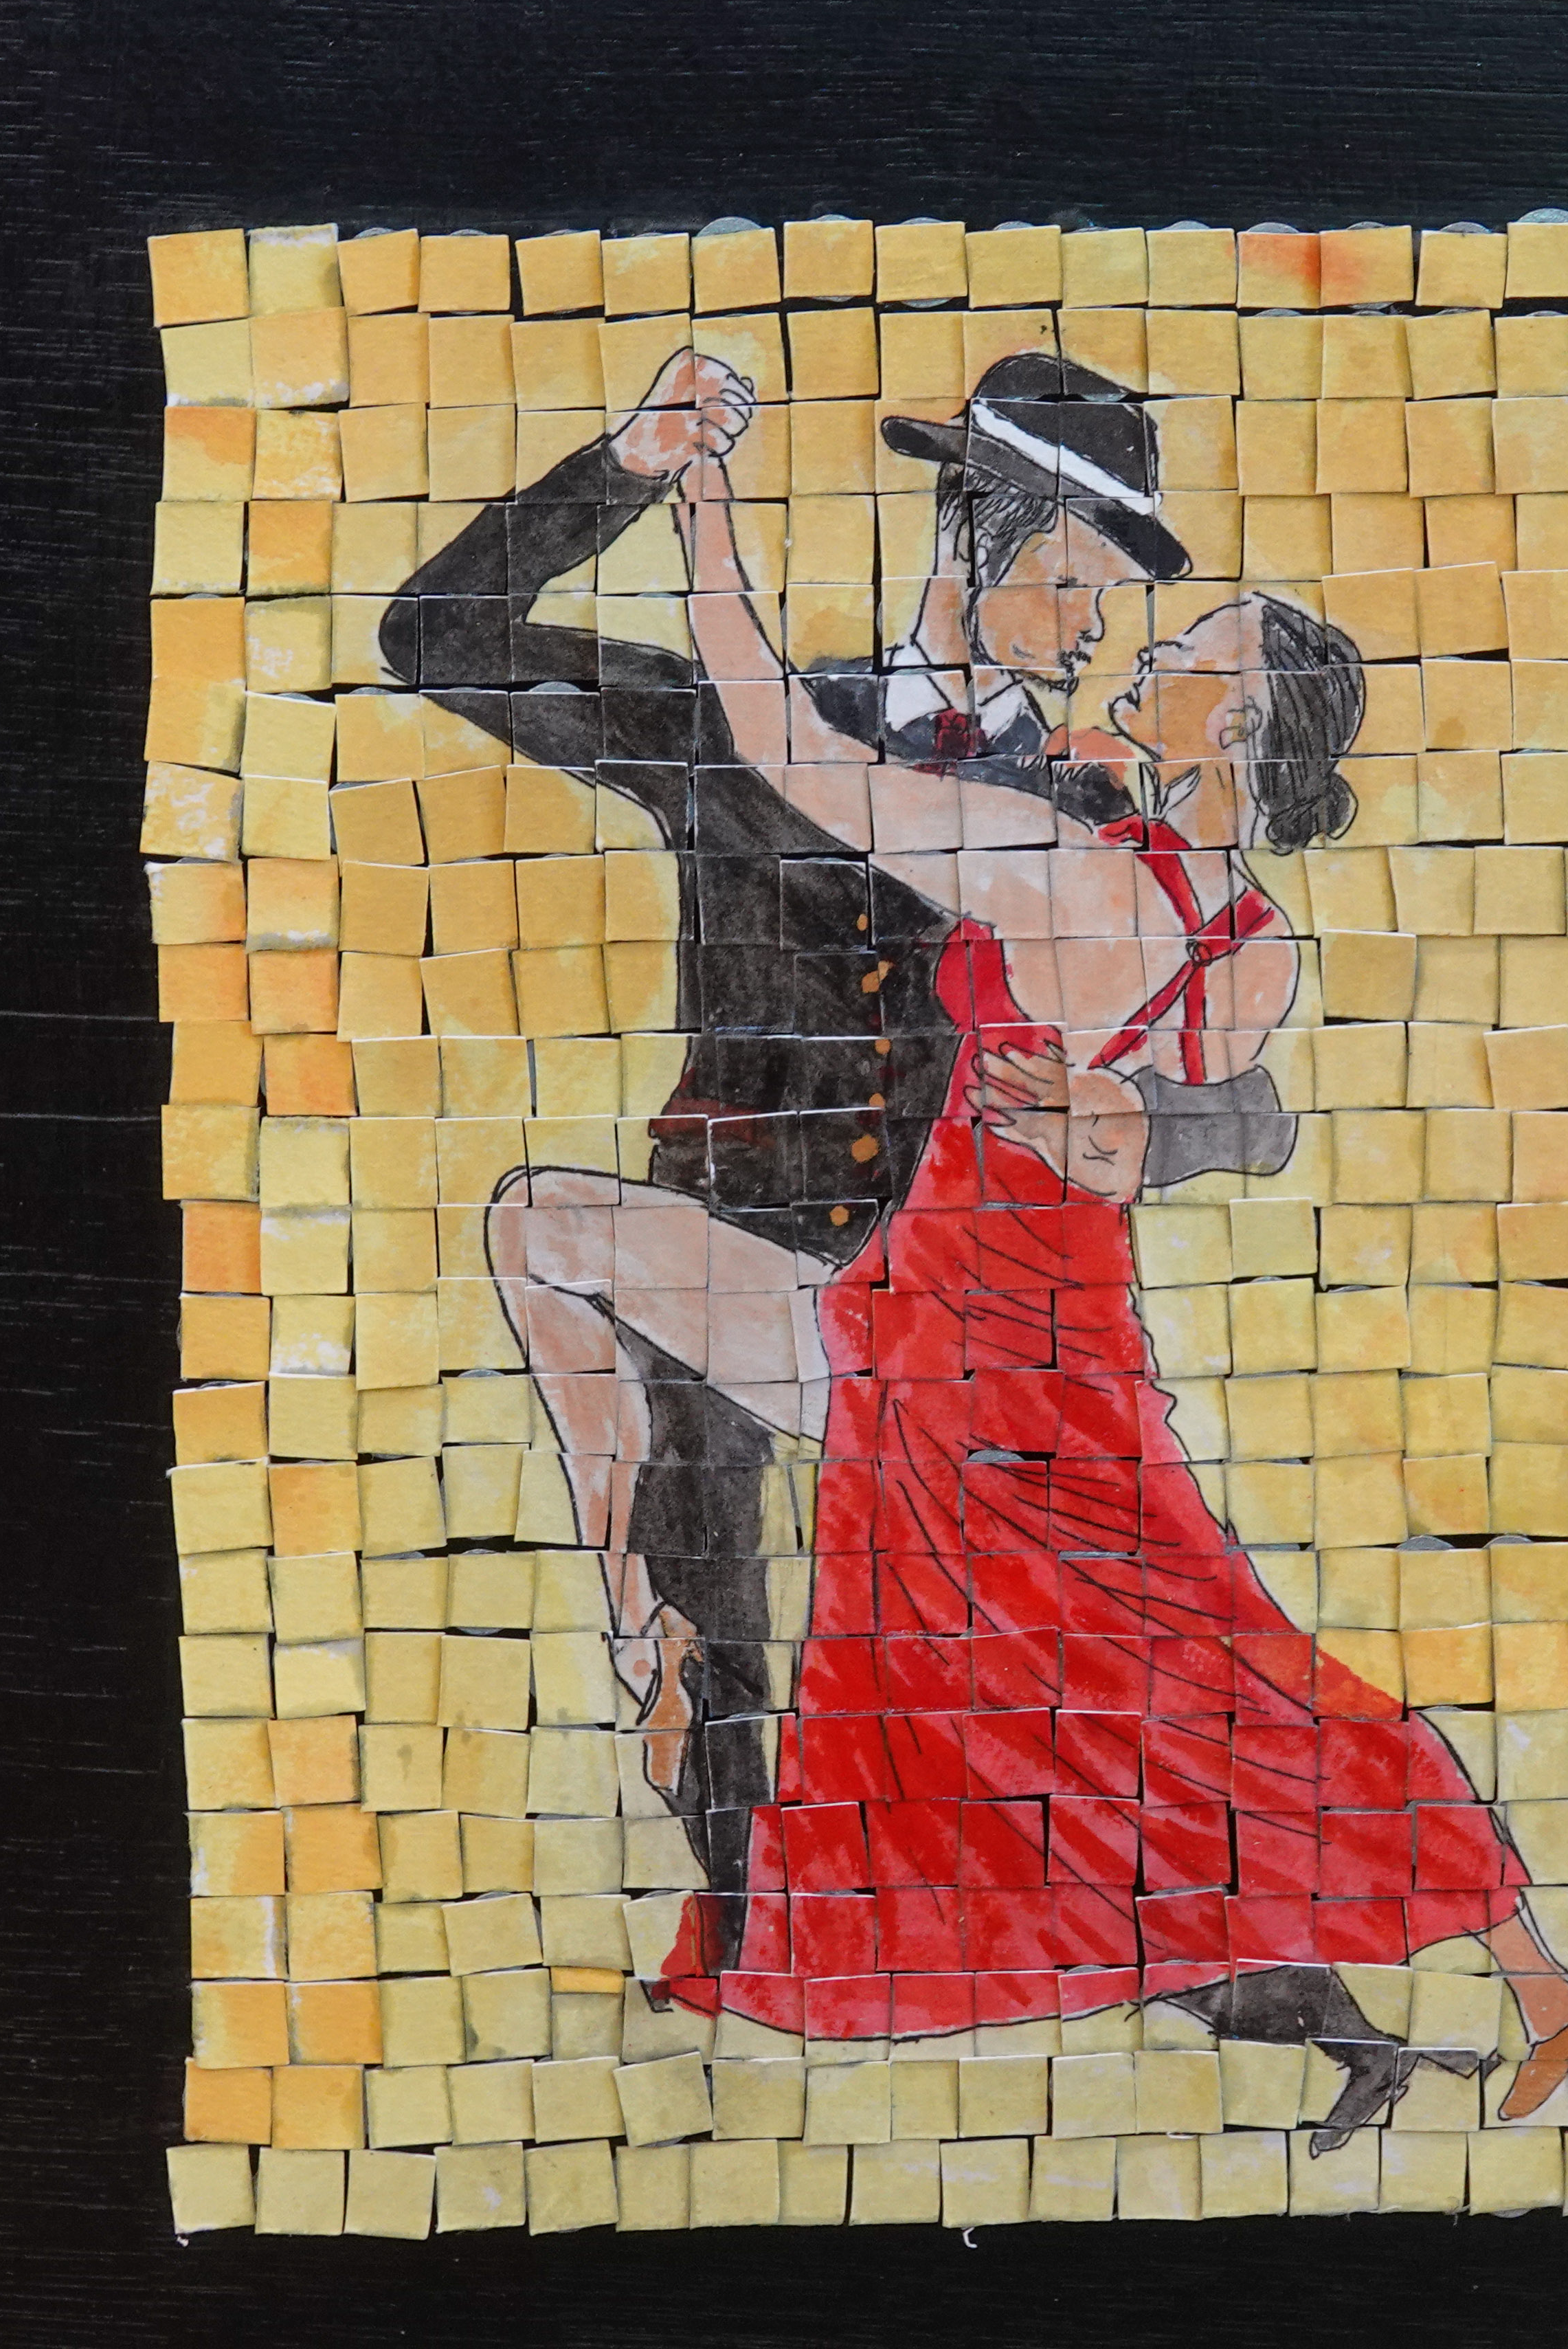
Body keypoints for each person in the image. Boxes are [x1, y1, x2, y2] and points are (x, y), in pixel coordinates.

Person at [627, 465, 1568, 2148]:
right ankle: (1552, 1987)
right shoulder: (1248, 938)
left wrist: (705, 525)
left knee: (1138, 1676)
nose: (1148, 649)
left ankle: (1544, 1988)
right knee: (1201, 1670)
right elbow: (1193, 1088)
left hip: (964, 1331)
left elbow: (787, 748)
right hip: (1066, 1327)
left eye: (1193, 654)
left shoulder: (1067, 869)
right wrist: (1139, 1118)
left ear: (1235, 722)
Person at [378, 348, 1290, 1967]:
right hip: (719, 1234)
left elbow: (1257, 1070)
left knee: (1050, 1678)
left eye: (1112, 595)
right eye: (1072, 575)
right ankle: (739, 1941)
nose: (1096, 625)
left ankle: (1212, 1966)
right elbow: (434, 638)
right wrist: (626, 468)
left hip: (946, 1294)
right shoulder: (738, 725)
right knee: (707, 1622)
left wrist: (1166, 1128)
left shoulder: (1097, 810)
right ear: (973, 532)